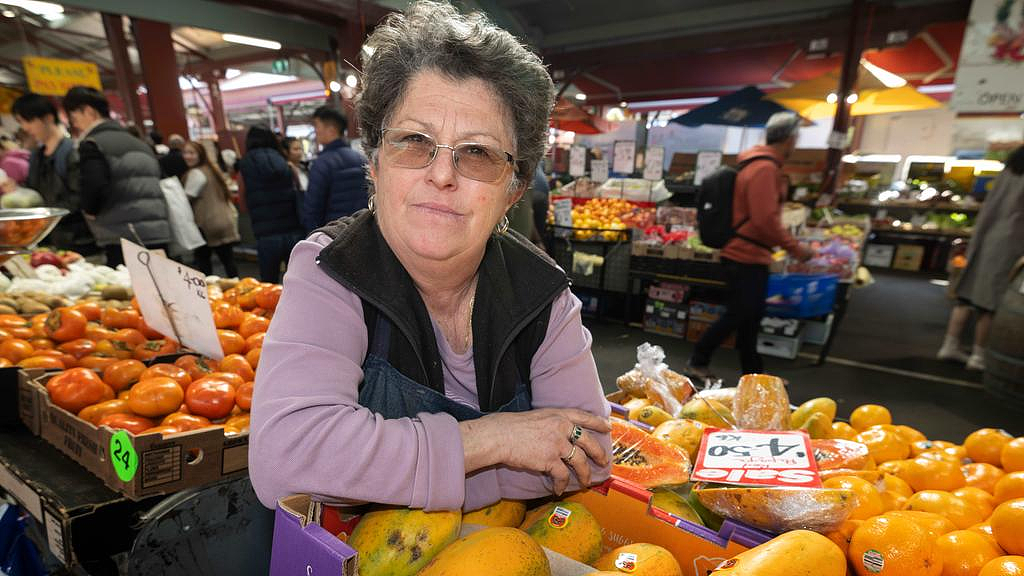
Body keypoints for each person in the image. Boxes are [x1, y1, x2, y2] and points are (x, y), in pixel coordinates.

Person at [249, 1, 611, 513]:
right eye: (415, 142)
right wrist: (495, 440)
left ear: (514, 189)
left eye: (478, 153)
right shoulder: (332, 269)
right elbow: (286, 462)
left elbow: (590, 458)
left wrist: (382, 477)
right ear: (375, 164)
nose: (442, 176)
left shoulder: (543, 293)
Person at [687, 112, 812, 377]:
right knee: (740, 314)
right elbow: (764, 218)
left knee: (749, 318)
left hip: (749, 253)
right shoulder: (764, 169)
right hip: (745, 255)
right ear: (789, 138)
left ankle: (754, 374)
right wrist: (796, 248)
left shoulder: (758, 165)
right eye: (796, 138)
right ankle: (699, 360)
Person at [62, 86, 170, 266]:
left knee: (129, 289)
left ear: (88, 111)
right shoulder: (140, 144)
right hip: (157, 231)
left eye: (74, 118)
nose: (75, 125)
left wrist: (89, 210)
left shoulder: (93, 143)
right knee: (159, 288)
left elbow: (95, 185)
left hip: (121, 234)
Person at [939, 146, 1024, 371]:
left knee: (966, 295)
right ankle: (978, 356)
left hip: (985, 236)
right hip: (1010, 242)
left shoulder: (1010, 169)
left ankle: (950, 345)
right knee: (989, 303)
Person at [11, 92, 93, 251]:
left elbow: (78, 199)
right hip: (46, 242)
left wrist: (45, 217)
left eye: (28, 121)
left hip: (78, 243)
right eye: (21, 122)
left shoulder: (73, 151)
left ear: (48, 118)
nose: (25, 128)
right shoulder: (36, 156)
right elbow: (34, 195)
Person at [236, 126, 303, 283]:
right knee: (295, 280)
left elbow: (242, 201)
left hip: (265, 234)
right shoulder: (283, 161)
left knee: (268, 282)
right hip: (292, 229)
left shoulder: (245, 164)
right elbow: (298, 189)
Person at [299, 106, 368, 232]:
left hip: (333, 235)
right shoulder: (360, 158)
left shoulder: (322, 164)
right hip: (361, 230)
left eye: (317, 127)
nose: (315, 132)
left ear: (331, 130)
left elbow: (313, 209)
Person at [182, 141, 241, 277]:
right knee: (228, 261)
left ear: (200, 154)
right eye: (185, 153)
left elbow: (187, 198)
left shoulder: (196, 174)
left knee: (204, 265)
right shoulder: (212, 170)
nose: (187, 156)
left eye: (191, 153)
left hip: (207, 223)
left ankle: (206, 295)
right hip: (224, 220)